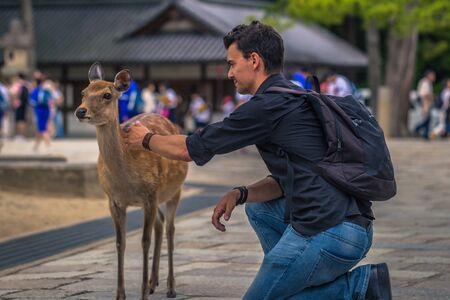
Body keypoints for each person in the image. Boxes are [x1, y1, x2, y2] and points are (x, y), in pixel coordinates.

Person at [124, 21, 391, 300]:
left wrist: (146, 139)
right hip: (356, 226)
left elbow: (191, 149)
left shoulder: (266, 106)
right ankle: (292, 276)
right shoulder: (295, 96)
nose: (229, 74)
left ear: (254, 60)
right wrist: (240, 193)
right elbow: (288, 179)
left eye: (232, 64)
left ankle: (358, 286)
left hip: (330, 232)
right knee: (258, 208)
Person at [29, 78, 53, 152]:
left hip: (40, 111)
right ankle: (36, 146)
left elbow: (32, 102)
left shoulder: (36, 90)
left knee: (42, 129)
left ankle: (48, 145)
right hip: (47, 110)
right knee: (40, 128)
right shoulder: (46, 90)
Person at [414, 70, 436, 140]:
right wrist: (432, 96)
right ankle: (417, 129)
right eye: (432, 75)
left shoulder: (428, 83)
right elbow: (423, 93)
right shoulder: (425, 82)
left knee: (428, 119)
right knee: (427, 119)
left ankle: (425, 135)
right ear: (428, 75)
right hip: (425, 102)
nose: (433, 77)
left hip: (427, 103)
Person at [10, 73, 30, 139]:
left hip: (18, 104)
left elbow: (13, 93)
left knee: (18, 120)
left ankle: (19, 135)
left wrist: (13, 99)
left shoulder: (17, 84)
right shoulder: (27, 84)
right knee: (24, 120)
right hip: (25, 104)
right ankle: (24, 135)